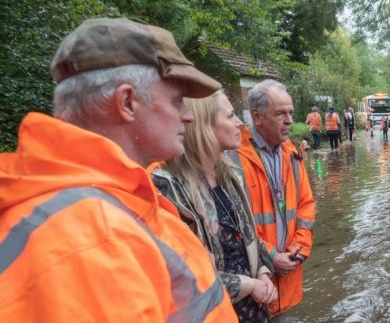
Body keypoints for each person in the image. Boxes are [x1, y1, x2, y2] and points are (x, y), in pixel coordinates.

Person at [0, 17, 236, 321]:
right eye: (177, 102)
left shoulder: (116, 200)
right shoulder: (87, 238)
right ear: (127, 102)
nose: (189, 116)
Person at [151, 90, 278, 322]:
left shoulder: (230, 176)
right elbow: (183, 275)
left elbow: (249, 238)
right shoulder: (168, 188)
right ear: (204, 127)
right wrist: (249, 286)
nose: (240, 123)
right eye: (230, 116)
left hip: (255, 312)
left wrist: (263, 271)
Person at [236, 80, 316, 317]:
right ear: (257, 116)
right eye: (281, 113)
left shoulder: (292, 152)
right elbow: (234, 224)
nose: (290, 120)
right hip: (253, 290)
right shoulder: (232, 156)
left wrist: (298, 251)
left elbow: (306, 206)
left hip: (288, 282)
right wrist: (271, 257)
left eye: (290, 112)